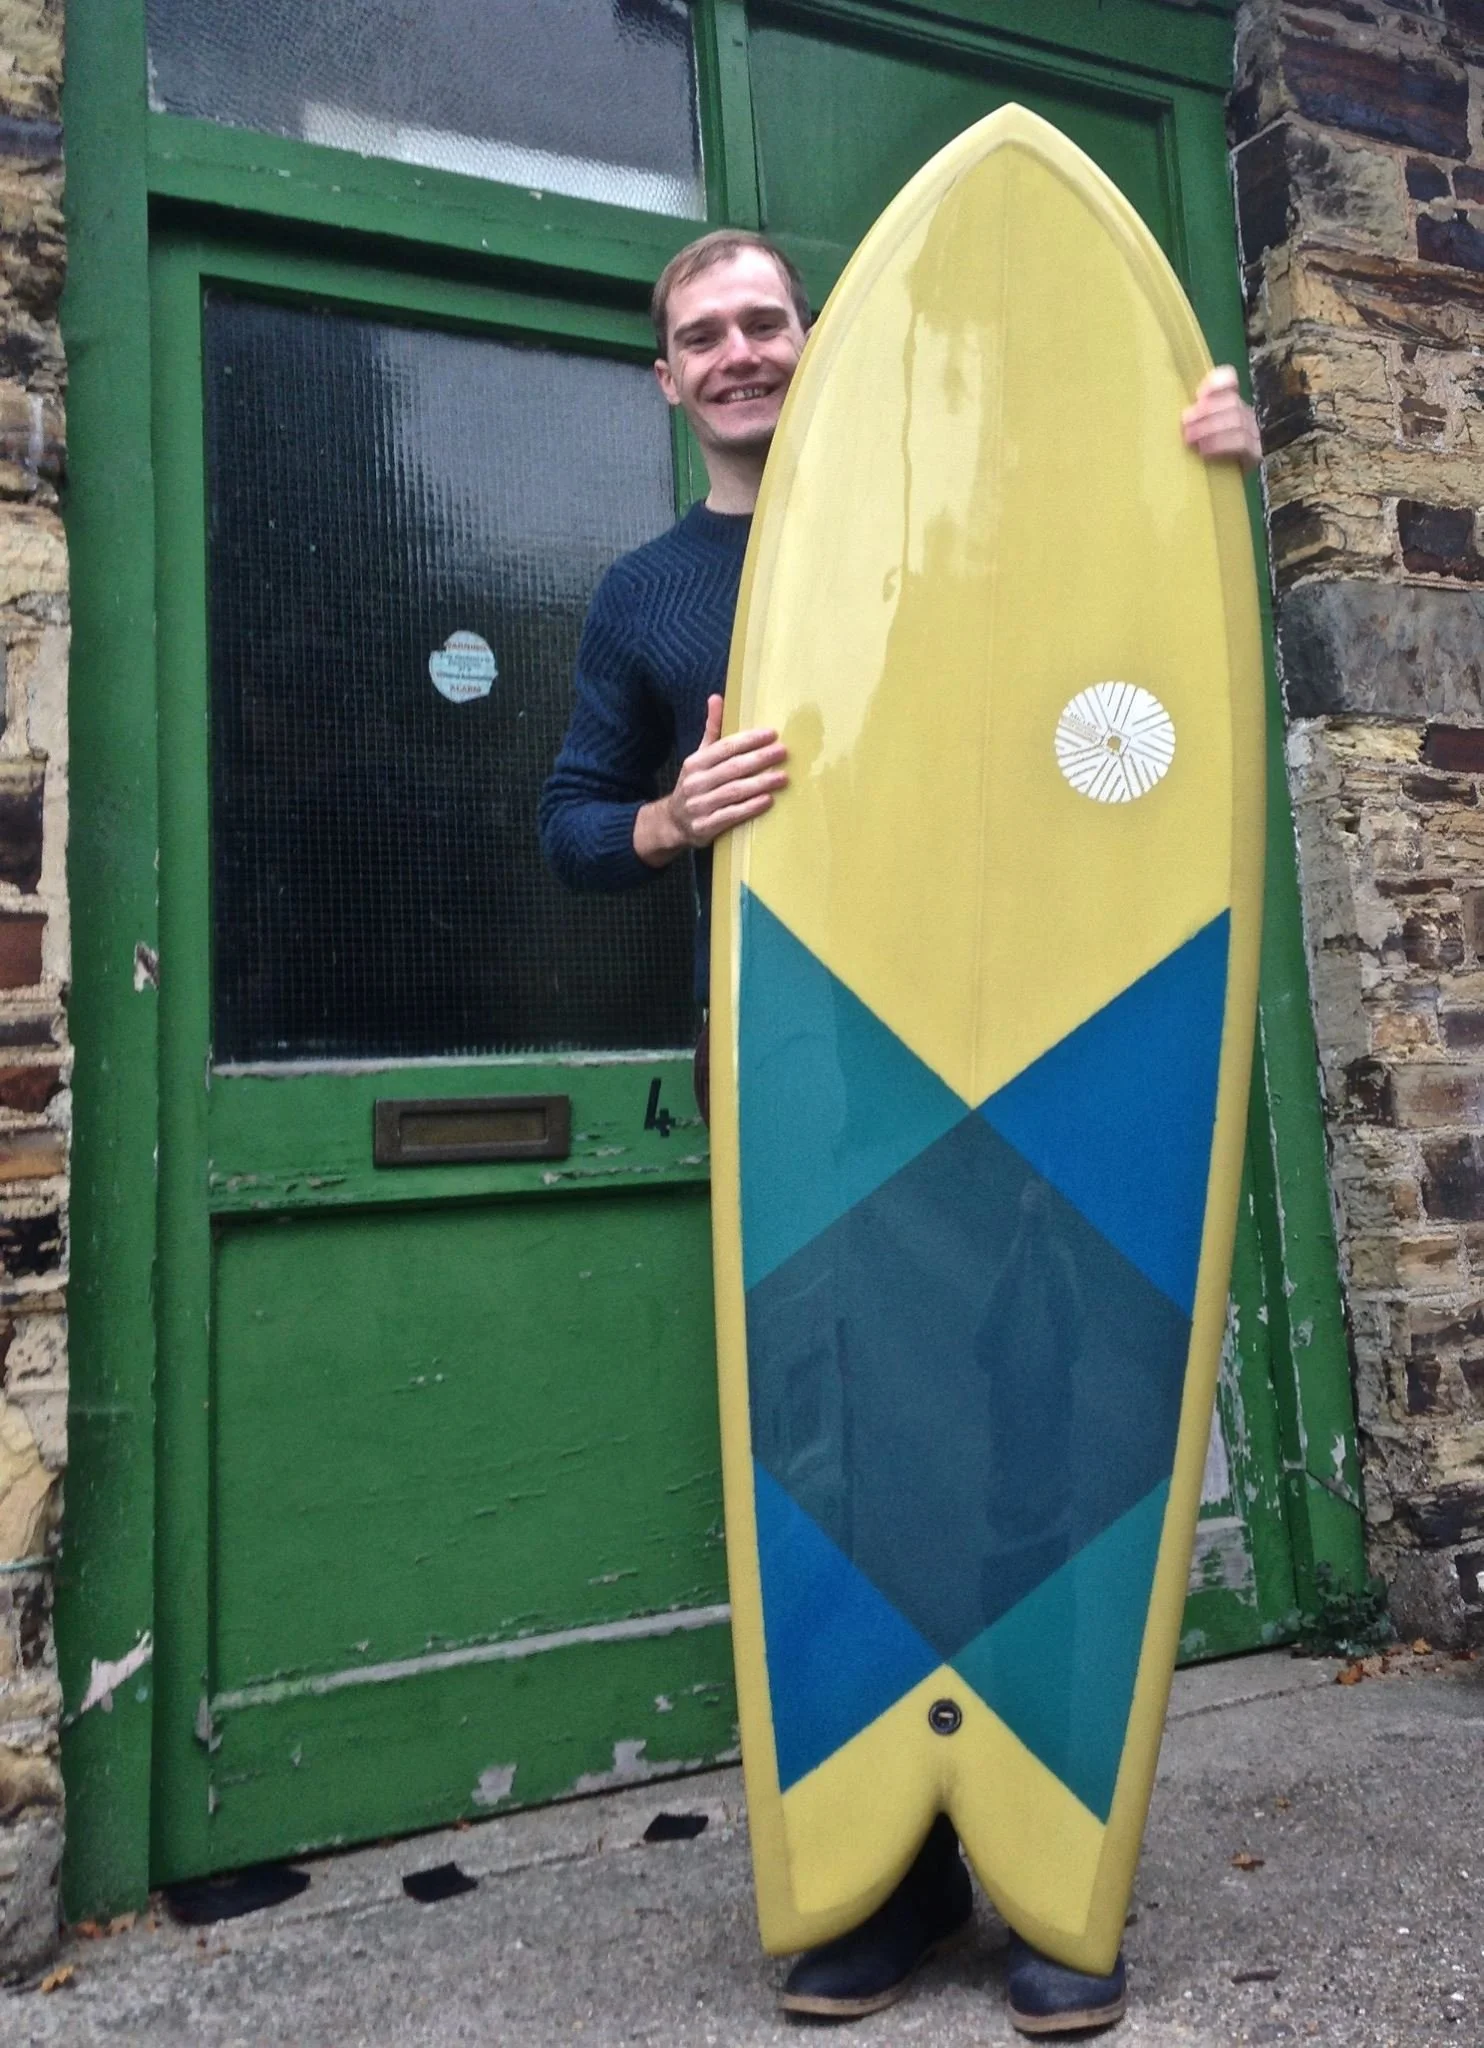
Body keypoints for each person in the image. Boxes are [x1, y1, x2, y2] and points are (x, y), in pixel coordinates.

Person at [539, 227, 1261, 2035]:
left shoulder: (975, 526)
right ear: (666, 378)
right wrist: (664, 819)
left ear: (821, 338)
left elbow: (1122, 672)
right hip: (809, 1085)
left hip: (1040, 1060)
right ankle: (882, 1871)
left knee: (1050, 1414)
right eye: (701, 335)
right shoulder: (647, 592)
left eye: (766, 322)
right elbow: (563, 828)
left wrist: (1196, 475)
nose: (738, 354)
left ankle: (1050, 1870)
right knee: (842, 1446)